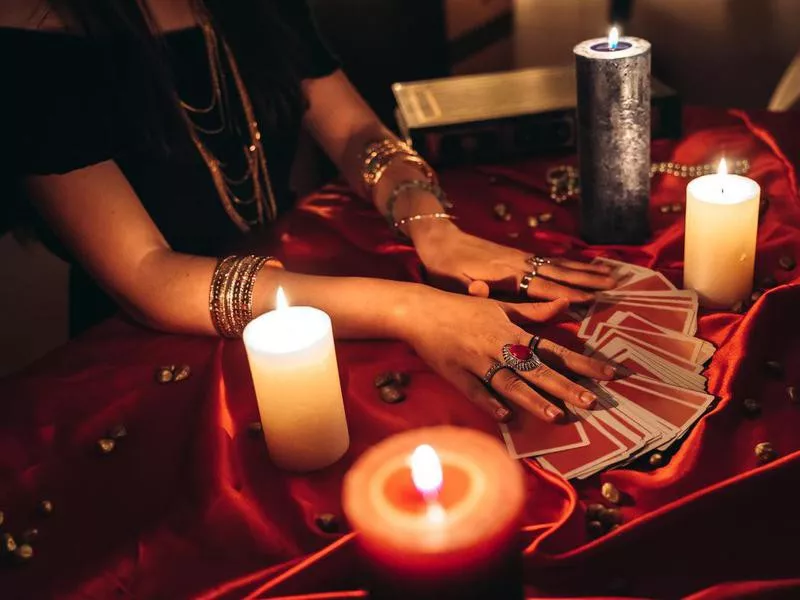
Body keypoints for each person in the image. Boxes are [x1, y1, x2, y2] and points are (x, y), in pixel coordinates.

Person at [1, 0, 622, 424]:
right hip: (145, 349)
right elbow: (146, 275)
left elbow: (352, 129)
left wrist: (435, 230)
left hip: (305, 287)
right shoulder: (30, 36)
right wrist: (413, 308)